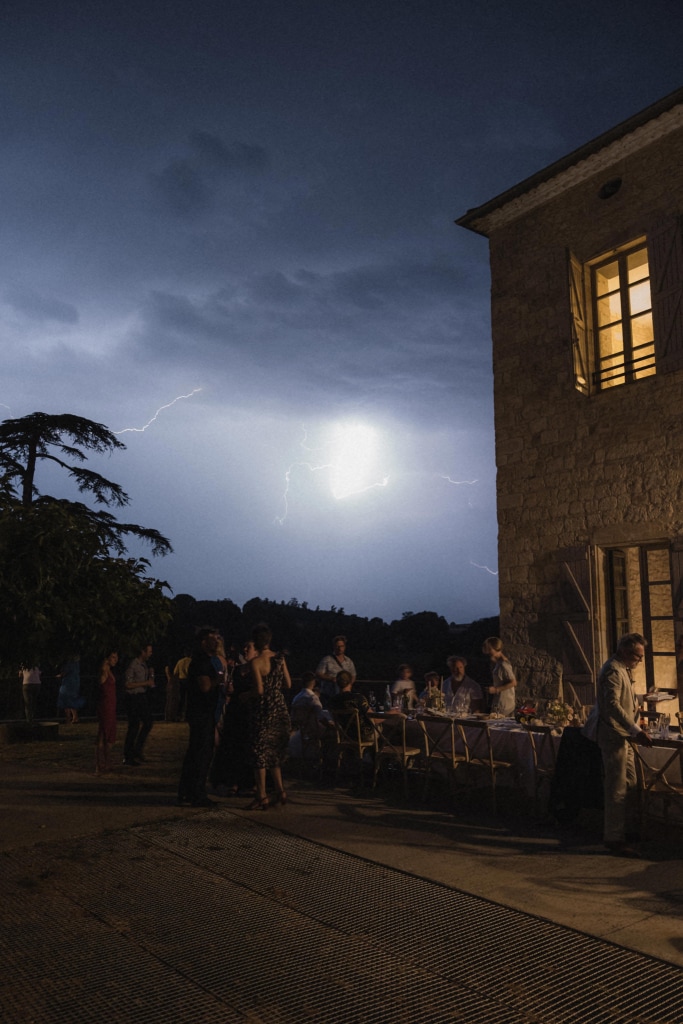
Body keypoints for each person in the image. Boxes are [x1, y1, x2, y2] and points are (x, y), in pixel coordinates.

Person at [582, 632, 652, 855]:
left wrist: (639, 703)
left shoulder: (623, 669)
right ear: (623, 651)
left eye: (640, 656)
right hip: (613, 734)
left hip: (624, 735)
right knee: (616, 786)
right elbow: (612, 704)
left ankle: (624, 828)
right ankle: (614, 838)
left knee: (630, 781)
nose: (639, 660)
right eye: (636, 655)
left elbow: (623, 699)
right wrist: (636, 730)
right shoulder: (613, 670)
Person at [246, 623, 292, 810]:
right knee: (274, 752)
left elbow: (259, 690)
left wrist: (245, 695)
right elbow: (288, 684)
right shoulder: (280, 658)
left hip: (264, 709)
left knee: (259, 752)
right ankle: (280, 791)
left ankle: (262, 794)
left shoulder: (256, 662)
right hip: (279, 708)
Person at [178, 627, 221, 806]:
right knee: (201, 754)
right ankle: (197, 794)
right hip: (202, 713)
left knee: (195, 752)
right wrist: (220, 680)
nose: (217, 642)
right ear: (204, 642)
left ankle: (186, 792)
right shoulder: (202, 662)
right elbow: (205, 686)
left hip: (201, 713)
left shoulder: (202, 660)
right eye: (213, 639)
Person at [211, 638, 257, 796]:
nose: (245, 650)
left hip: (249, 711)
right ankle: (233, 781)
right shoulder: (237, 669)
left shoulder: (257, 669)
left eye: (249, 647)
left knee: (247, 747)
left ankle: (247, 782)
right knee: (233, 747)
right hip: (235, 710)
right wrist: (230, 689)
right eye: (245, 647)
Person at [123, 643, 155, 766]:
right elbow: (128, 684)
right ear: (143, 652)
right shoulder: (133, 664)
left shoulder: (144, 664)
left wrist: (150, 676)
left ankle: (137, 750)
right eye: (149, 651)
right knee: (134, 726)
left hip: (141, 696)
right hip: (133, 697)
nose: (150, 654)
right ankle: (128, 755)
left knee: (148, 722)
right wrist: (145, 683)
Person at [290, 671, 333, 760]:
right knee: (332, 732)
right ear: (313, 682)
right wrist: (330, 724)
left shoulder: (296, 698)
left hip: (302, 728)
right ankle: (327, 758)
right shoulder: (312, 698)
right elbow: (320, 716)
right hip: (313, 729)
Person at [328, 670, 374, 742]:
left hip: (344, 735)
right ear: (351, 682)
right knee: (385, 728)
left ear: (337, 683)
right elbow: (373, 718)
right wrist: (390, 713)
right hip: (362, 735)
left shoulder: (332, 701)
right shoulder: (358, 698)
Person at [316, 635, 356, 707]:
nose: (339, 648)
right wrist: (331, 679)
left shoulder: (349, 661)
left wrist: (348, 685)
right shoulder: (327, 660)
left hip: (344, 696)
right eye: (337, 646)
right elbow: (319, 673)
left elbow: (353, 675)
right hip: (328, 695)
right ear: (334, 647)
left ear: (345, 647)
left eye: (341, 646)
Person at [96, 651, 119, 774]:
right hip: (106, 707)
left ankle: (106, 763)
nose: (116, 659)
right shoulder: (104, 671)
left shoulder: (109, 671)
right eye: (113, 657)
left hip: (110, 706)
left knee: (108, 735)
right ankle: (99, 764)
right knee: (103, 735)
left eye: (116, 657)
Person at [483, 637, 517, 717]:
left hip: (504, 705)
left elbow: (513, 682)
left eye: (489, 649)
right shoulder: (498, 663)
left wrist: (496, 689)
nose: (487, 651)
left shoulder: (504, 664)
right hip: (499, 703)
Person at [56, 656, 85, 724]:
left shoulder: (69, 664)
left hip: (68, 683)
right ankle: (74, 717)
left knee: (65, 699)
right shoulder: (76, 664)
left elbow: (65, 672)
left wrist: (60, 675)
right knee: (72, 699)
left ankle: (69, 718)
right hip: (75, 683)